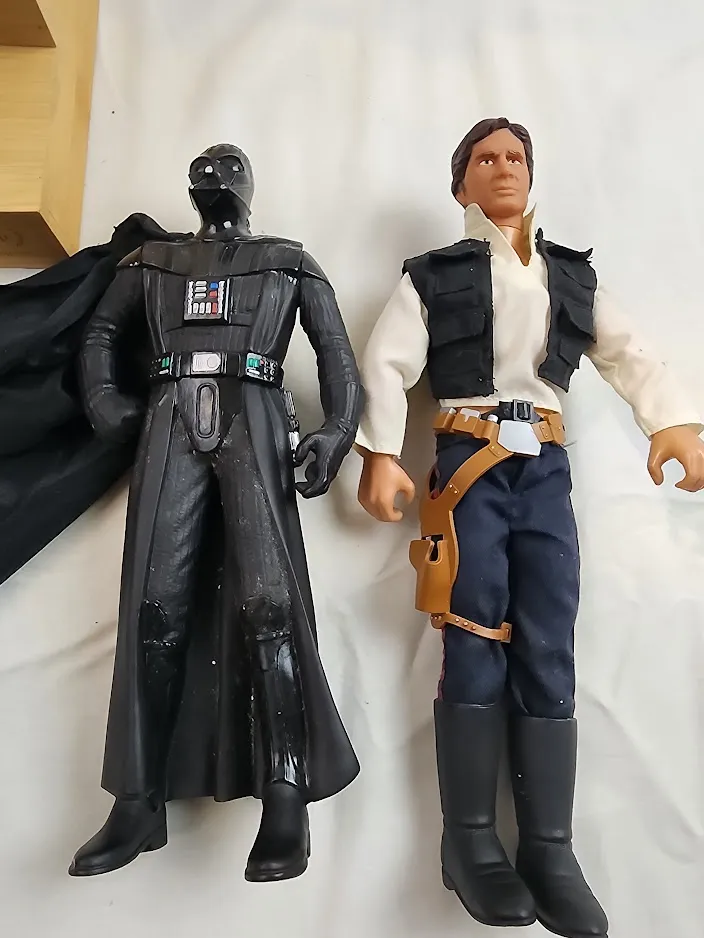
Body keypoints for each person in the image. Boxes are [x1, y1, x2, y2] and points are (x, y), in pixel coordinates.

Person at [354, 117, 704, 937]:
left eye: (515, 156)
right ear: (461, 182)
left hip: (544, 466)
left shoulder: (569, 275)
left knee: (550, 631)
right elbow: (387, 362)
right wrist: (380, 451)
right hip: (467, 464)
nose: (503, 168)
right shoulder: (434, 275)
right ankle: (470, 840)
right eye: (486, 158)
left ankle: (550, 847)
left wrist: (673, 423)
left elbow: (629, 352)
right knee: (473, 626)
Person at [69, 144, 363, 882]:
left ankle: (287, 792)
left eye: (229, 164)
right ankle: (139, 798)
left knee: (270, 602)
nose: (216, 171)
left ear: (249, 185)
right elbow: (100, 335)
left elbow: (337, 355)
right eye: (206, 163)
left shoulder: (287, 262)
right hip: (168, 417)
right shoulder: (151, 263)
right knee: (155, 607)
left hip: (253, 415)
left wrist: (335, 432)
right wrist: (104, 400)